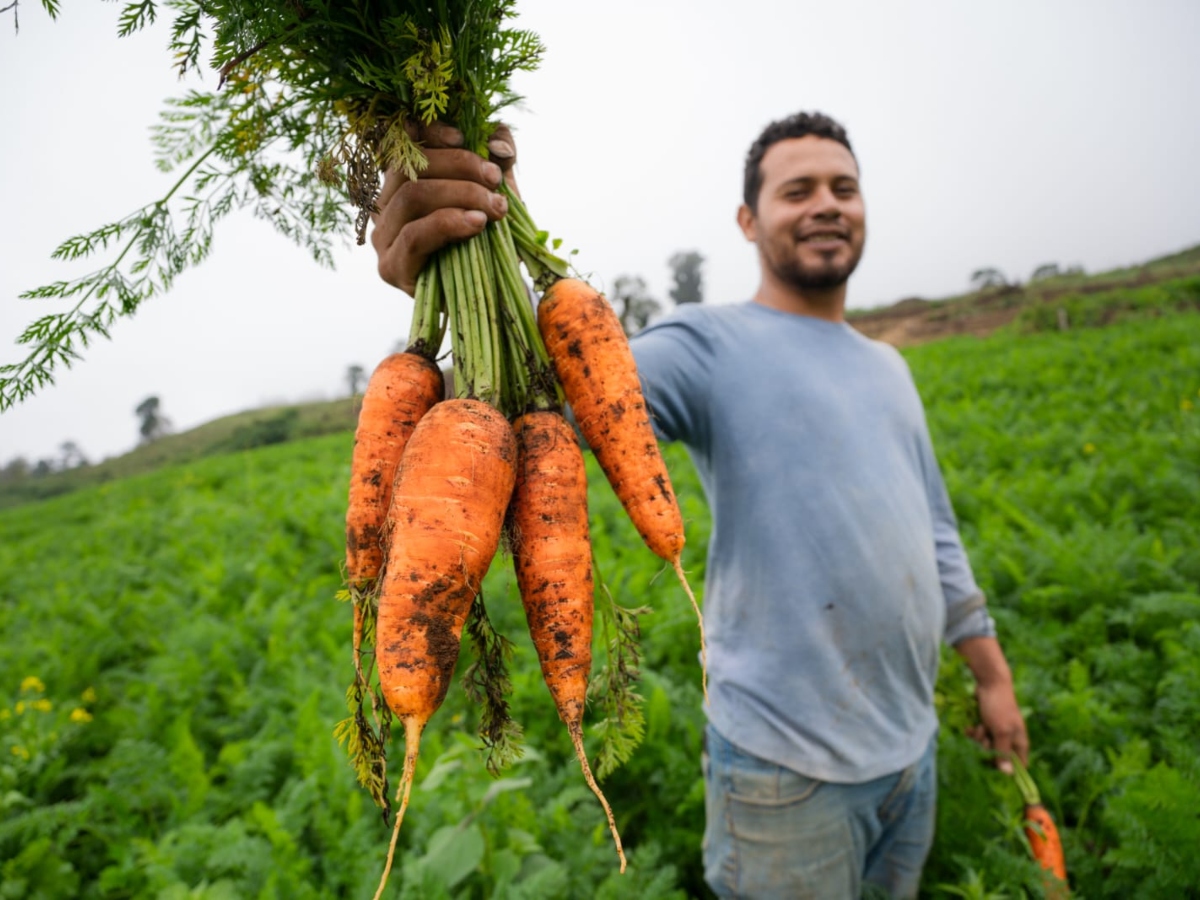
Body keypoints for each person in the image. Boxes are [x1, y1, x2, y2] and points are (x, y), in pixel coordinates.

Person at [369, 111, 1029, 899]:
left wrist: (991, 675)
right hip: (784, 774)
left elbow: (937, 535)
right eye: (798, 190)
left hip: (910, 750)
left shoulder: (889, 366)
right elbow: (552, 422)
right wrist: (471, 240)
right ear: (749, 220)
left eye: (843, 188)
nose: (826, 204)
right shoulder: (706, 344)